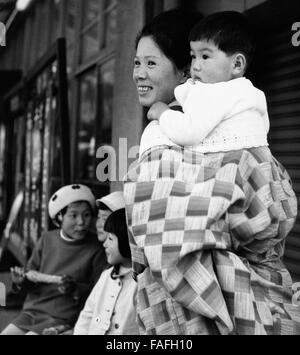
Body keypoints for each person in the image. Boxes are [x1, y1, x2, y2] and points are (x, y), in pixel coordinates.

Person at [123, 10, 299, 335]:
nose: (138, 74)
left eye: (151, 63)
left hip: (184, 311)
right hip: (257, 304)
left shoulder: (167, 135)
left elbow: (157, 239)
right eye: (136, 63)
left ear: (185, 73)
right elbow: (274, 211)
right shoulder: (242, 131)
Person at [146, 11, 269, 154]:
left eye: (205, 56)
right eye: (193, 56)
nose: (195, 66)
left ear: (237, 64)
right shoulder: (252, 92)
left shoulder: (212, 92)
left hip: (230, 163)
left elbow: (188, 133)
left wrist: (163, 113)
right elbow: (264, 127)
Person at [1, 184, 107, 335]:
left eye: (87, 215)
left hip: (61, 318)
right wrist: (20, 282)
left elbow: (98, 292)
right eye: (73, 215)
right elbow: (30, 279)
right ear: (59, 217)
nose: (81, 222)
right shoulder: (47, 239)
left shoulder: (96, 249)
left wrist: (74, 288)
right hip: (31, 313)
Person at [73, 208, 138, 335]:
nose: (104, 244)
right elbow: (87, 315)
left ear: (127, 240)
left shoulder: (142, 283)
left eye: (111, 239)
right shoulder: (106, 276)